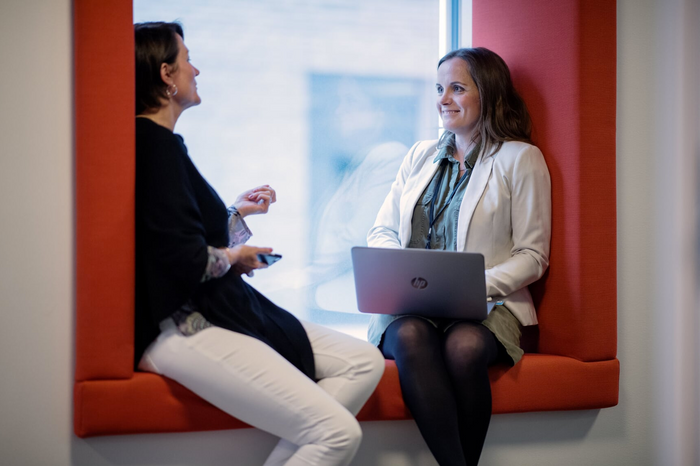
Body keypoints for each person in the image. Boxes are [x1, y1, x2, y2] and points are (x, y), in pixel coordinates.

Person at [133, 21, 384, 466]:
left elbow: (180, 232)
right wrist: (235, 256)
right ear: (167, 75)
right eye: (188, 59)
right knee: (336, 433)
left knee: (364, 361)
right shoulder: (155, 147)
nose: (197, 69)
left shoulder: (164, 146)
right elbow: (178, 259)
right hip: (185, 326)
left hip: (208, 311)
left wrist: (234, 216)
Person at [367, 47, 551, 466]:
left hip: (489, 305)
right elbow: (381, 230)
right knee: (412, 336)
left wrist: (472, 286)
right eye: (439, 88)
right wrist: (394, 269)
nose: (443, 99)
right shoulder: (419, 155)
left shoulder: (520, 159)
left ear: (487, 94)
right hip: (410, 305)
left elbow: (533, 255)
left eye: (456, 88)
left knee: (464, 349)